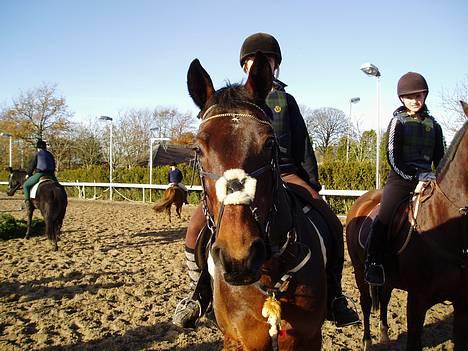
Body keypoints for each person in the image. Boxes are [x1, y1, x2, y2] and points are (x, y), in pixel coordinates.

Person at [173, 32, 359, 329]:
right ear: (244, 65)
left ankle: (335, 296)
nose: (260, 65)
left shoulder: (287, 100)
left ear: (275, 66)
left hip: (286, 172)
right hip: (242, 176)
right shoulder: (232, 103)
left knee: (332, 223)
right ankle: (199, 293)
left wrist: (312, 184)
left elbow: (303, 144)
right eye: (251, 61)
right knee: (196, 227)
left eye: (268, 61)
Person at [365, 72, 446, 286]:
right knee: (384, 216)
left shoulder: (434, 125)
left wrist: (438, 178)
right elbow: (392, 157)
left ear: (425, 96)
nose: (415, 100)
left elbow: (442, 159)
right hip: (402, 180)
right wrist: (414, 176)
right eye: (410, 97)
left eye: (419, 95)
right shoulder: (397, 122)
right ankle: (374, 261)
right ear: (402, 99)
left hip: (429, 180)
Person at [23, 139, 58, 210]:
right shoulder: (50, 154)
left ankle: (28, 203)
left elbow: (32, 165)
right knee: (58, 186)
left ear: (38, 148)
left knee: (26, 185)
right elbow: (54, 166)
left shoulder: (37, 154)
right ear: (45, 147)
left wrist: (28, 174)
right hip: (51, 175)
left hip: (40, 173)